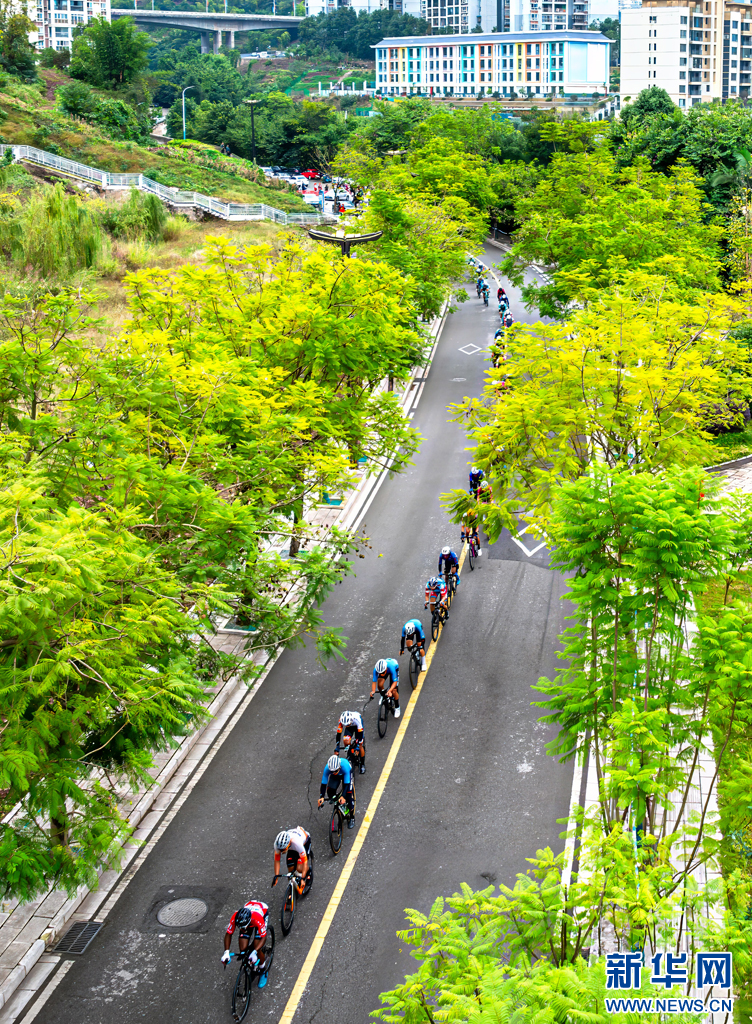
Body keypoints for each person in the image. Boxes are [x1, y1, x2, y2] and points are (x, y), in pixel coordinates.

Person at [221, 900, 271, 986]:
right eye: (239, 927)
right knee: (243, 948)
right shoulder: (235, 917)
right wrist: (226, 952)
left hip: (261, 913)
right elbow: (228, 934)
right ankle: (250, 959)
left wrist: (255, 951)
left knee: (257, 946)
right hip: (249, 911)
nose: (241, 929)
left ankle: (263, 970)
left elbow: (263, 938)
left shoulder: (257, 919)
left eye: (243, 928)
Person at [318, 754, 356, 827]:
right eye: (332, 771)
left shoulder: (345, 766)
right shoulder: (327, 768)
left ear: (339, 767)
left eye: (335, 771)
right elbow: (323, 784)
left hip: (346, 773)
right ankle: (338, 805)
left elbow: (346, 784)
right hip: (337, 775)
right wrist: (321, 797)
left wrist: (343, 796)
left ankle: (352, 817)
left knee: (348, 794)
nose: (334, 772)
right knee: (330, 790)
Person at [272, 827, 312, 895]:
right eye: (280, 850)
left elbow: (305, 862)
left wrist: (302, 878)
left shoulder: (297, 843)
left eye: (283, 849)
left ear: (288, 844)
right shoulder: (277, 845)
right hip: (292, 847)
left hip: (304, 842)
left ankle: (309, 871)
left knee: (299, 868)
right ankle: (292, 888)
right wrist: (276, 876)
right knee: (290, 870)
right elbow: (277, 861)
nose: (281, 851)